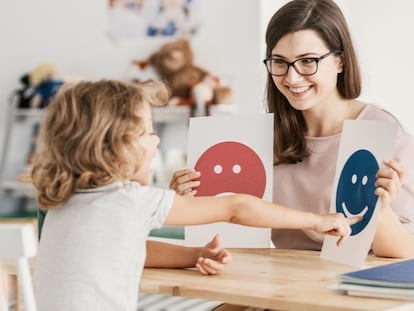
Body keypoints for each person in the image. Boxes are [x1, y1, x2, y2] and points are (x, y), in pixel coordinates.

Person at [28, 79, 358, 311]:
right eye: (148, 133)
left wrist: (194, 254)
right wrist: (317, 219)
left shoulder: (64, 203)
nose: (156, 142)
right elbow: (237, 207)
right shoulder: (129, 200)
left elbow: (129, 247)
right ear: (114, 149)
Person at [170, 0, 414, 309]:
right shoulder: (262, 138)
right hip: (280, 290)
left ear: (340, 61)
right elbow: (236, 223)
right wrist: (187, 201)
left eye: (308, 61)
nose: (293, 77)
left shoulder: (381, 130)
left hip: (348, 296)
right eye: (280, 62)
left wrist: (381, 208)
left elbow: (405, 252)